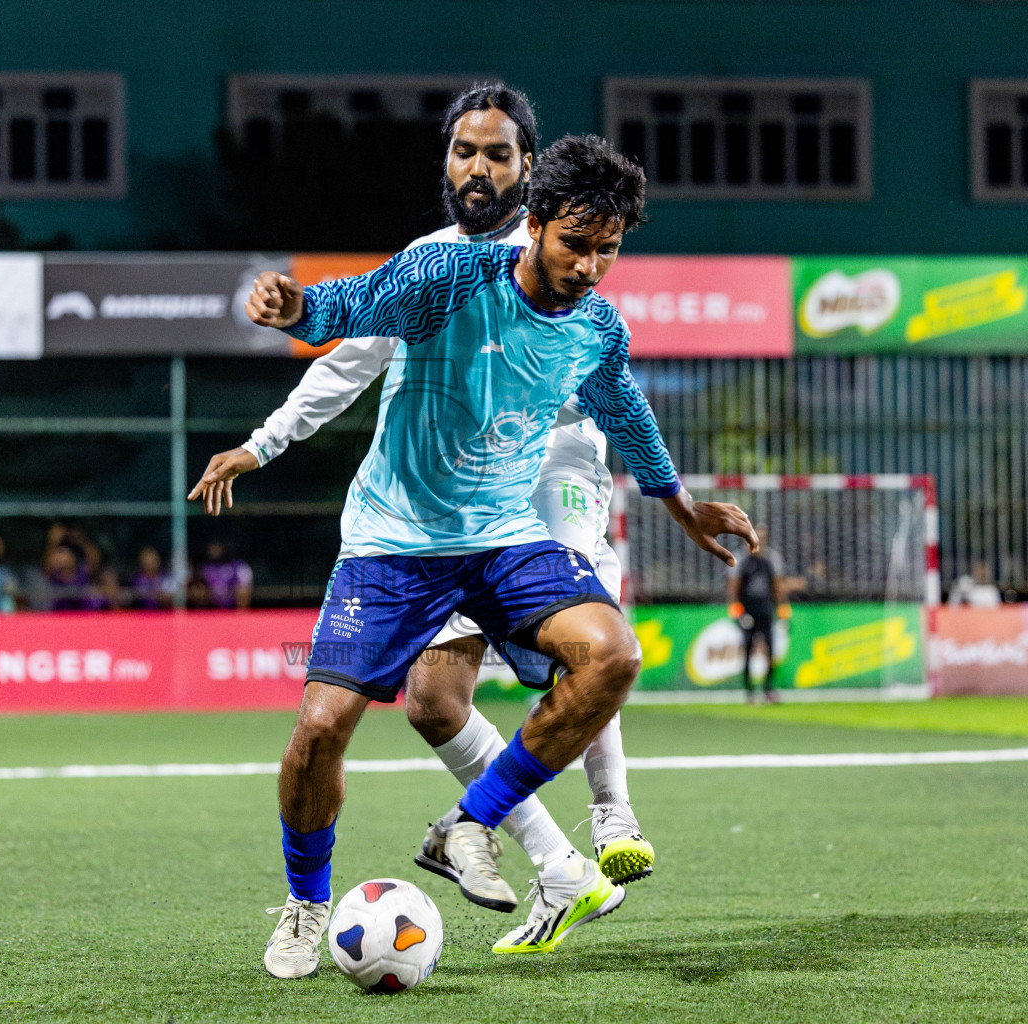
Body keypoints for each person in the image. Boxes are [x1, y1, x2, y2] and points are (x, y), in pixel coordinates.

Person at [210, 131, 755, 978]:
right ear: (533, 224)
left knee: (611, 655)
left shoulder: (597, 329)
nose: (587, 267)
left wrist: (684, 510)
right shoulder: (451, 276)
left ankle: (488, 819)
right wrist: (298, 313)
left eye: (606, 251)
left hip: (503, 539)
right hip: (394, 545)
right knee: (318, 733)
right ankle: (306, 902)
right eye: (575, 244)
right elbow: (357, 307)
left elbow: (629, 418)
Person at [726, 526, 791, 704]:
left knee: (770, 650)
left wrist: (783, 611)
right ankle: (749, 691)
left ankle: (768, 689)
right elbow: (734, 588)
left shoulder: (772, 559)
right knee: (747, 648)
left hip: (766, 610)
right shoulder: (741, 559)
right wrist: (737, 612)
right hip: (748, 611)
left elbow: (778, 587)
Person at [198, 540, 252, 610]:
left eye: (216, 547)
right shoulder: (207, 567)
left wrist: (227, 592)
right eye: (211, 548)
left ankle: (241, 617)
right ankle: (202, 615)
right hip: (212, 600)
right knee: (198, 591)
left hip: (231, 598)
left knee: (243, 590)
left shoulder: (237, 565)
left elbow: (245, 585)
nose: (213, 550)